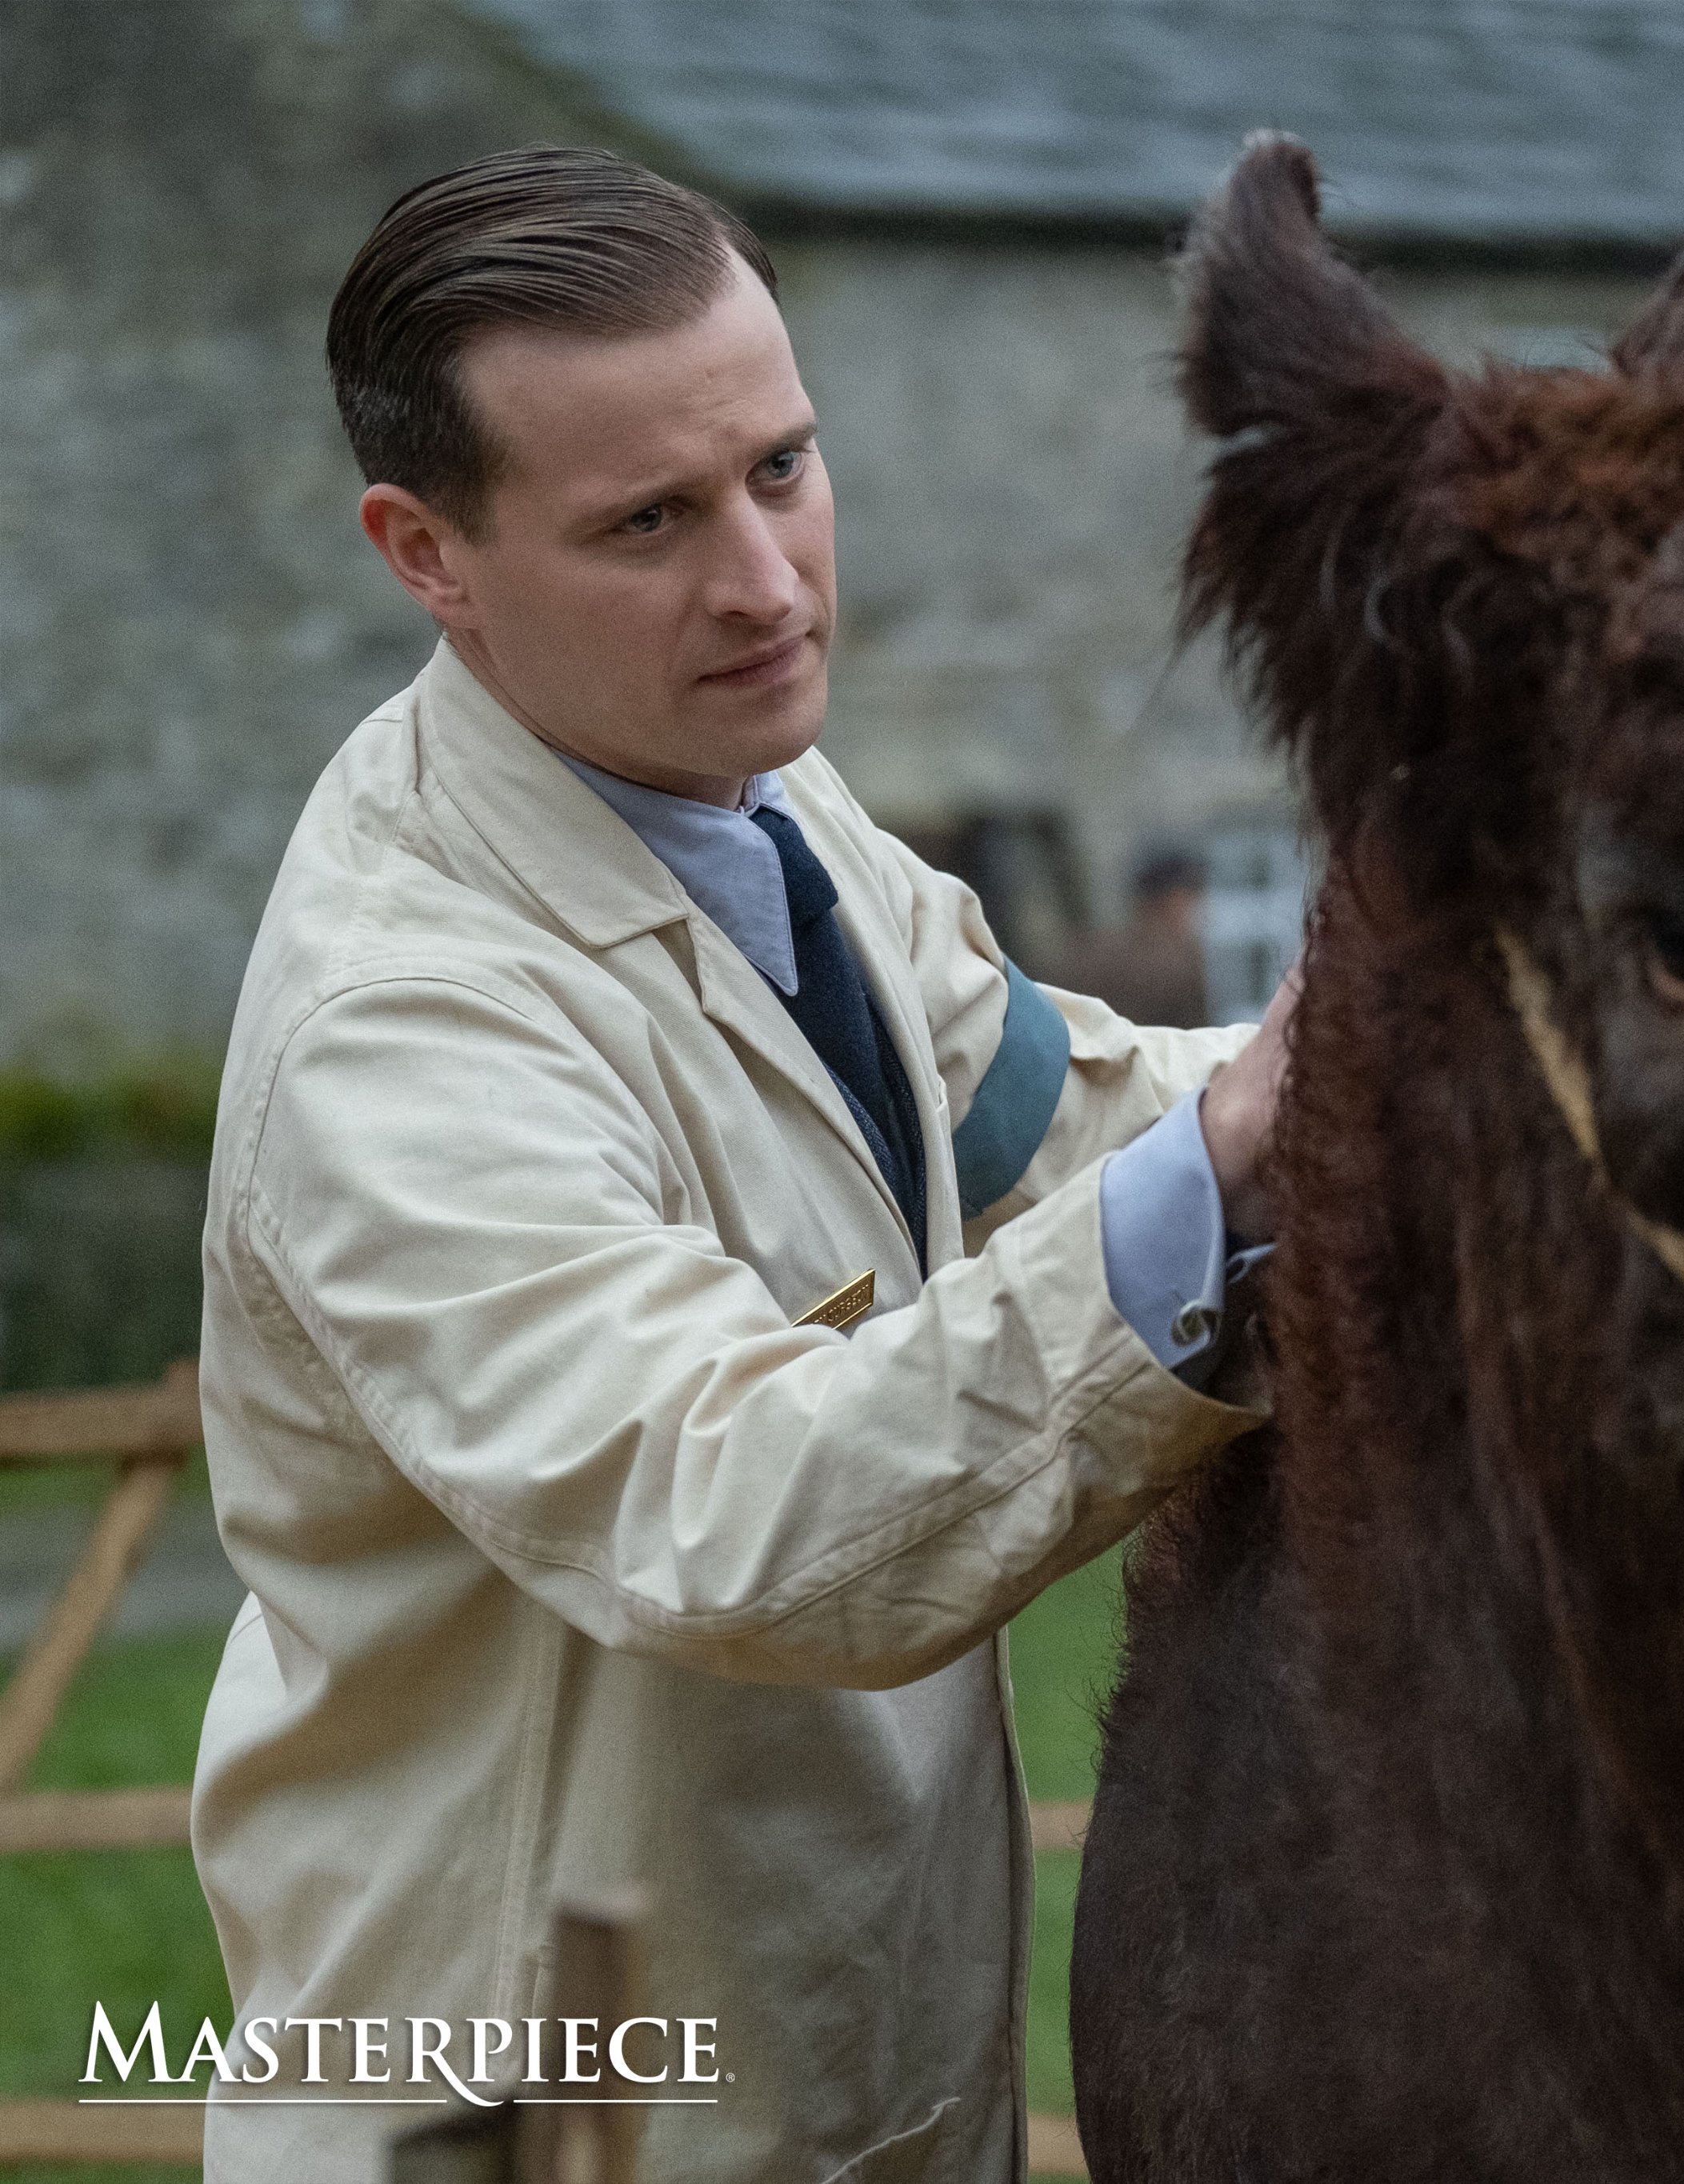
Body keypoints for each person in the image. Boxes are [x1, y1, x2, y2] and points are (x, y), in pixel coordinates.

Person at [188, 146, 1294, 2182]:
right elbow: (744, 1515)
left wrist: (1448, 1061)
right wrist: (1243, 1179)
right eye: (649, 521)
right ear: (425, 552)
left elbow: (1046, 1119)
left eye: (782, 467)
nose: (766, 583)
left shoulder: (750, 799)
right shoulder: (407, 1029)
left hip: (827, 2076)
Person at [1050, 842, 1212, 1027]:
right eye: (1193, 896)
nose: (1202, 908)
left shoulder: (1089, 951)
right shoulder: (1181, 965)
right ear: (1167, 900)